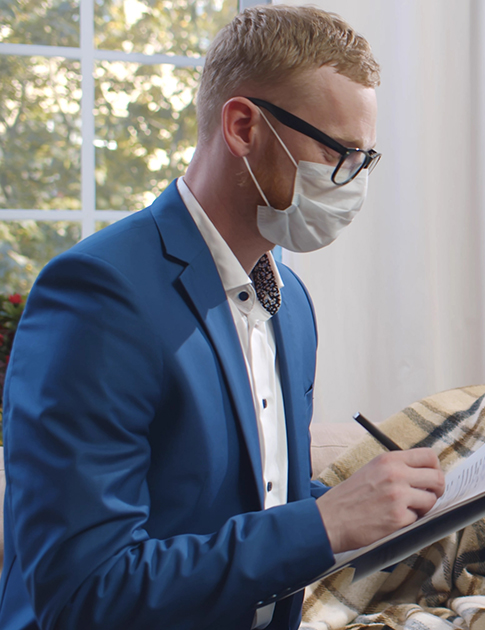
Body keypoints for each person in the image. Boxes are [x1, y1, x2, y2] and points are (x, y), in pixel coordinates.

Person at [0, 6, 446, 630]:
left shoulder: (290, 304)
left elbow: (246, 509)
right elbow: (84, 593)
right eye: (337, 151)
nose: (352, 182)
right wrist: (322, 523)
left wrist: (371, 512)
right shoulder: (99, 294)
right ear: (243, 127)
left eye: (364, 159)